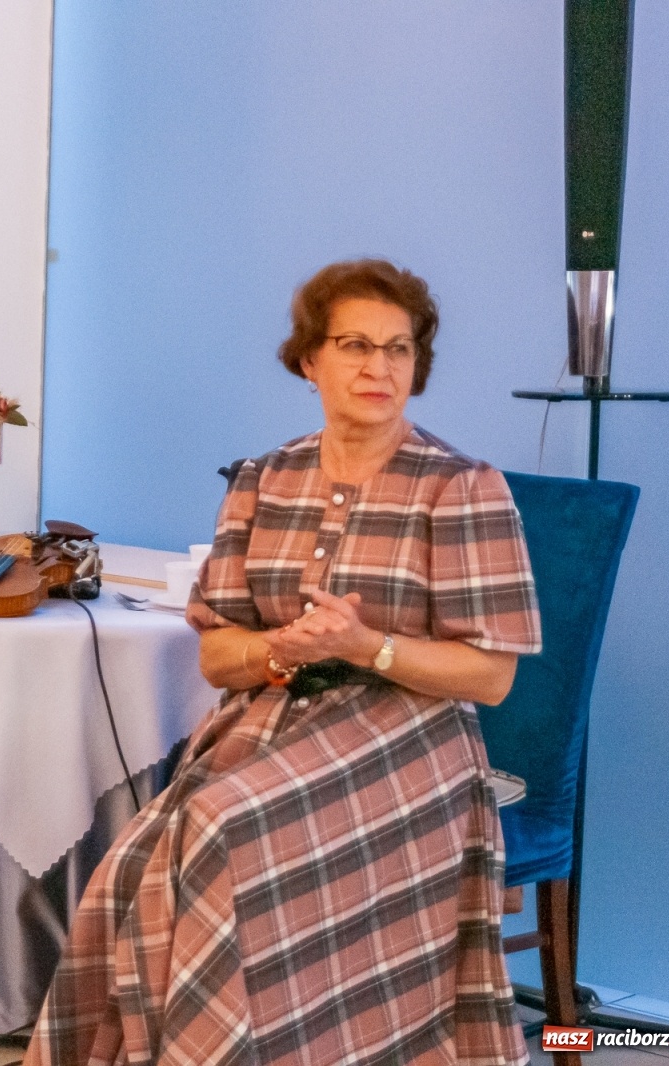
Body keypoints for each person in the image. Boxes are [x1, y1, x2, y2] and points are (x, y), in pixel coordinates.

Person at [26, 259, 541, 1065]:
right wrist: (279, 649)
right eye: (356, 346)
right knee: (133, 859)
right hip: (269, 720)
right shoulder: (265, 479)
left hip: (411, 744)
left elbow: (493, 677)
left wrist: (361, 645)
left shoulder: (462, 487)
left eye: (399, 350)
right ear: (310, 360)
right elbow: (219, 655)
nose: (379, 368)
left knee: (228, 826)